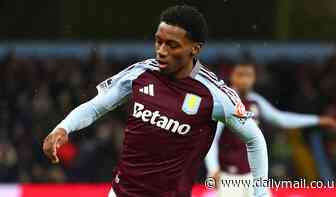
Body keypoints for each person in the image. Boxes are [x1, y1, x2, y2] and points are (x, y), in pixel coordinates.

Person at [42, 6, 269, 197]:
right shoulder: (140, 73)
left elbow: (255, 139)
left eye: (172, 45)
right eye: (158, 42)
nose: (161, 51)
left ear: (195, 48)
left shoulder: (215, 94)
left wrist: (259, 193)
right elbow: (96, 106)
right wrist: (63, 127)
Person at [205, 61, 336, 197]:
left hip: (253, 176)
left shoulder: (255, 101)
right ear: (232, 77)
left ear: (253, 79)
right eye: (240, 75)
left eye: (248, 75)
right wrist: (213, 168)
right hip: (228, 177)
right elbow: (212, 138)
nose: (245, 80)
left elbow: (281, 119)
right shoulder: (224, 103)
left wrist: (316, 120)